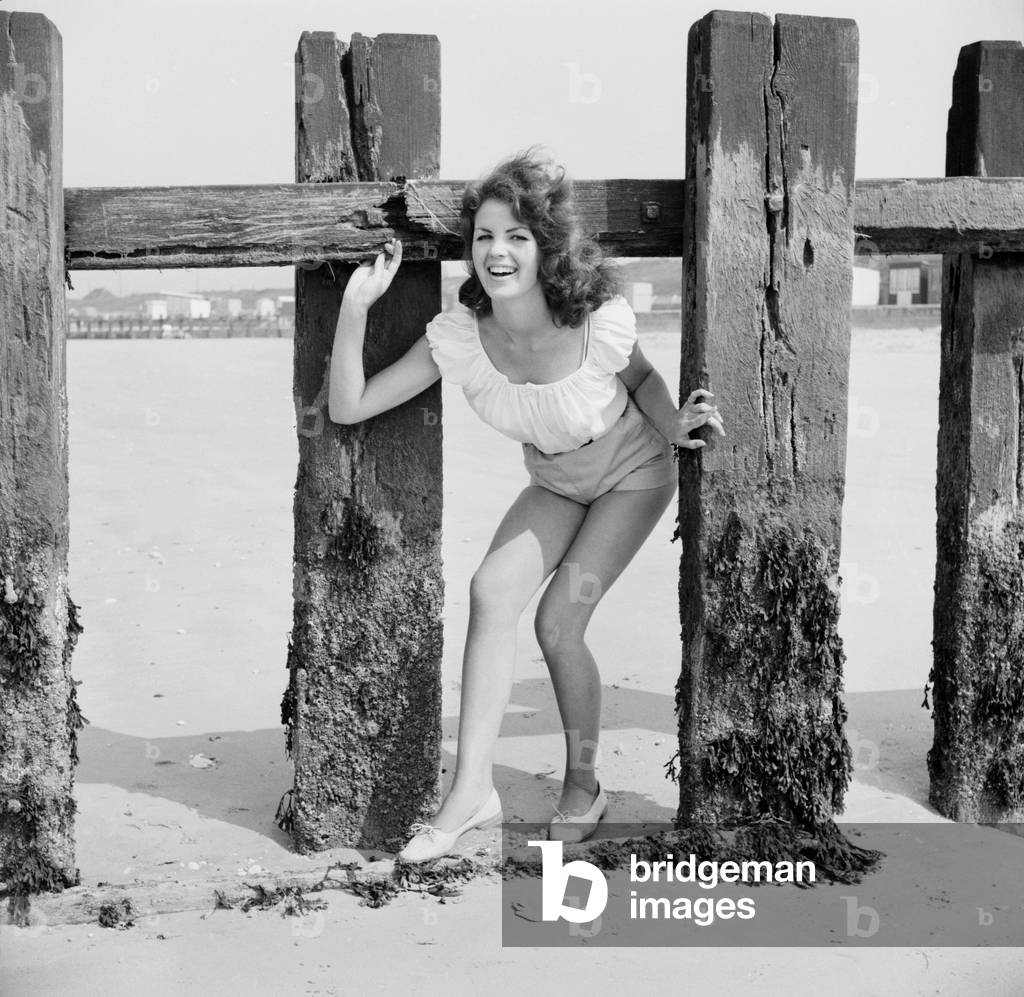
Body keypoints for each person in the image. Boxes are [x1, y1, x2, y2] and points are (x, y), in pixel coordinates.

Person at [327, 147, 725, 862]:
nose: (497, 252)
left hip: (633, 473)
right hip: (557, 481)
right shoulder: (462, 339)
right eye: (483, 237)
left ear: (545, 246)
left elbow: (641, 378)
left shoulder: (592, 317)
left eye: (516, 236)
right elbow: (350, 405)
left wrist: (674, 423)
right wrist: (355, 306)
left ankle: (584, 784)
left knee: (557, 623)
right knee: (490, 591)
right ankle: (472, 791)